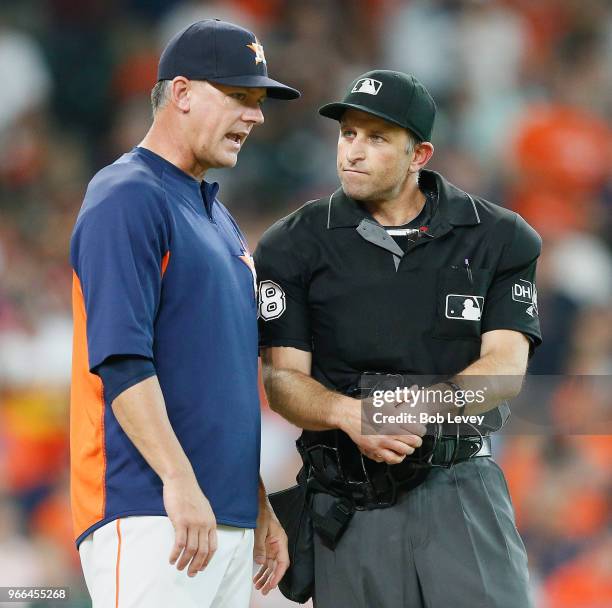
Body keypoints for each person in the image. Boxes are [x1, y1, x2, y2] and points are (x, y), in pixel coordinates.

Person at [254, 70, 542, 607]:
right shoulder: (292, 245)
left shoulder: (499, 237)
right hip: (352, 503)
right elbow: (281, 380)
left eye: (377, 138)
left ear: (420, 154)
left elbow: (505, 366)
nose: (354, 152)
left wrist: (420, 407)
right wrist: (349, 415)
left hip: (459, 488)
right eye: (348, 135)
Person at [70, 19, 299, 608]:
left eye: (259, 100)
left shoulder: (216, 219)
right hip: (149, 508)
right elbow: (121, 360)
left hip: (217, 514)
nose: (257, 115)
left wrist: (253, 501)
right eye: (240, 96)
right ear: (181, 93)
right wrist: (178, 478)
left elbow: (218, 381)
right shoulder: (128, 195)